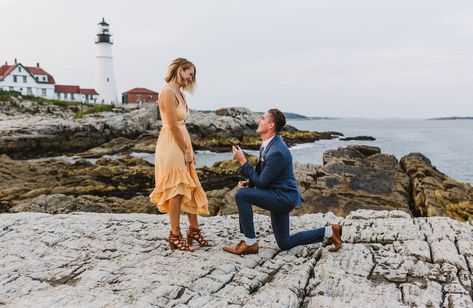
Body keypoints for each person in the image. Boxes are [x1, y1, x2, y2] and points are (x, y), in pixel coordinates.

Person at [223, 109, 342, 255]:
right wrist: (250, 183)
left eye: (262, 118)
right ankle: (330, 231)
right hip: (278, 194)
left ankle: (250, 243)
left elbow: (262, 182)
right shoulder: (268, 145)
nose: (259, 121)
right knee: (284, 243)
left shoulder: (277, 151)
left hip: (283, 197)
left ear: (271, 125)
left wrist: (242, 161)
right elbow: (264, 177)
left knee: (242, 195)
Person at [150, 57, 211, 252]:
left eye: (192, 75)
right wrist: (185, 150)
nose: (190, 78)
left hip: (183, 142)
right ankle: (174, 234)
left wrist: (188, 148)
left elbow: (181, 126)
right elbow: (173, 125)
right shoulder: (167, 92)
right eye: (189, 73)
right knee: (176, 190)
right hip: (171, 143)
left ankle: (194, 229)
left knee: (190, 185)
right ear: (179, 70)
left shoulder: (180, 93)